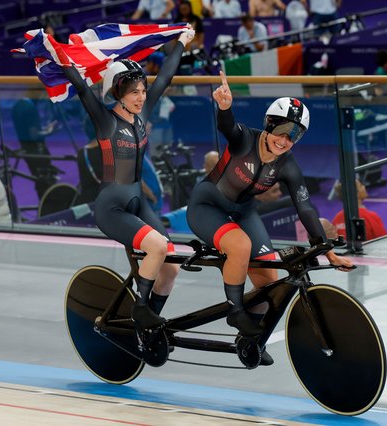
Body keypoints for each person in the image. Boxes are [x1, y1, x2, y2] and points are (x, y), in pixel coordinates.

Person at [187, 71, 353, 349]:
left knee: (269, 286)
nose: (285, 141)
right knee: (240, 246)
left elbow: (306, 207)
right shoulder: (245, 141)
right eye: (282, 131)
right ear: (269, 125)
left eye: (294, 136)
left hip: (244, 212)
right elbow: (228, 127)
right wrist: (225, 107)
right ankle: (235, 311)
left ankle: (248, 343)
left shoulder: (287, 166)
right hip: (207, 207)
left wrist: (328, 252)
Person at [60, 28, 195, 329]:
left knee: (171, 266)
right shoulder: (105, 119)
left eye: (142, 90)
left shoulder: (143, 112)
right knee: (158, 248)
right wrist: (61, 56)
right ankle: (141, 311)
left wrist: (181, 43)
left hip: (138, 202)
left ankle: (147, 323)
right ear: (118, 93)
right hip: (112, 207)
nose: (142, 96)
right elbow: (82, 88)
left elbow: (165, 78)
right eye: (134, 91)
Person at [11, 97, 59, 199]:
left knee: (38, 180)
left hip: (27, 149)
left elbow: (29, 130)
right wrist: (50, 132)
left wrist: (45, 129)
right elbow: (34, 135)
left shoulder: (18, 105)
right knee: (45, 182)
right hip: (37, 151)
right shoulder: (30, 108)